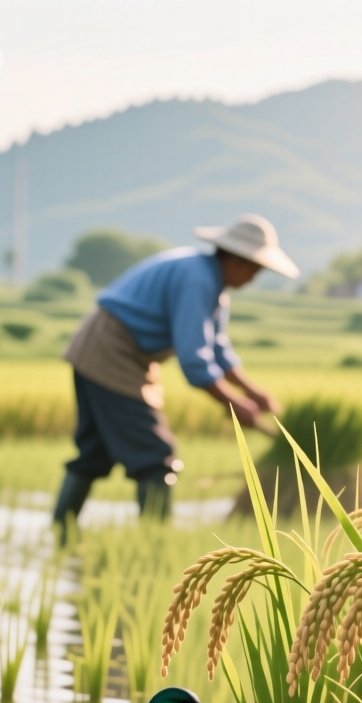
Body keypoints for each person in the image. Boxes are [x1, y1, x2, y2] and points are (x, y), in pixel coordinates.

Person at [52, 213, 299, 535]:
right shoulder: (197, 280)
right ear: (236, 261)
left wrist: (253, 393)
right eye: (253, 270)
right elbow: (195, 361)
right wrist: (232, 404)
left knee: (94, 453)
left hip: (104, 349)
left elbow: (217, 349)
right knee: (155, 456)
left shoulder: (211, 284)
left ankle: (59, 533)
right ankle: (156, 543)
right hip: (113, 352)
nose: (253, 278)